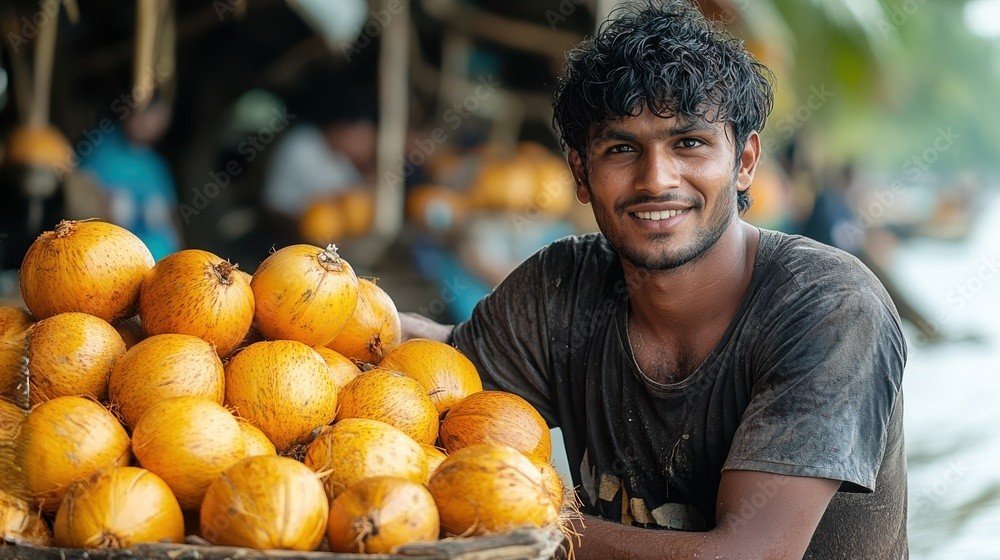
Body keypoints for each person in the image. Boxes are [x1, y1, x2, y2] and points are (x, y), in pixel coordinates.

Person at [402, 2, 907, 558]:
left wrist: (522, 526)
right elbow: (440, 366)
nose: (656, 180)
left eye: (688, 142)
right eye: (622, 149)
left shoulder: (830, 308)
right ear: (580, 173)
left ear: (744, 160)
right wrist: (337, 306)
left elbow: (751, 554)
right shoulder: (560, 289)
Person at [78, 100, 182, 260]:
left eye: (155, 113)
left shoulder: (156, 164)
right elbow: (84, 204)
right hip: (114, 260)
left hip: (161, 262)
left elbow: (172, 218)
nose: (146, 120)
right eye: (141, 111)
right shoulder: (100, 152)